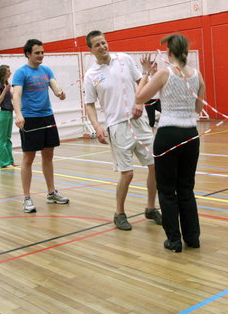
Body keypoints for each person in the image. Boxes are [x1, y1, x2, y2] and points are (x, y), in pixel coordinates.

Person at [83, 30, 162, 230]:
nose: (102, 47)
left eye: (103, 42)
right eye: (97, 45)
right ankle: (119, 213)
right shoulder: (91, 75)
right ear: (91, 50)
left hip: (140, 122)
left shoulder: (124, 59)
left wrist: (141, 103)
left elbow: (141, 85)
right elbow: (90, 104)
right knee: (127, 174)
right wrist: (97, 126)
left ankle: (151, 208)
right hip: (117, 126)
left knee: (155, 167)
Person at [136, 34, 205, 253]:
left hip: (168, 135)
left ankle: (174, 241)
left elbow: (140, 98)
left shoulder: (164, 73)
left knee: (166, 190)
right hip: (191, 135)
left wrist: (146, 74)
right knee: (186, 188)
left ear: (169, 53)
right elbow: (198, 108)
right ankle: (192, 238)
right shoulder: (197, 75)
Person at [12, 39, 70, 213]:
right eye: (37, 53)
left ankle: (51, 193)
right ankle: (27, 198)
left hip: (47, 117)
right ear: (28, 54)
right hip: (30, 119)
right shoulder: (21, 73)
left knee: (48, 155)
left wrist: (59, 93)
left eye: (42, 52)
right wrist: (19, 115)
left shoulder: (46, 70)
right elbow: (16, 96)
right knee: (28, 158)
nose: (41, 56)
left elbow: (53, 84)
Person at [0, 64, 17, 168]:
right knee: (2, 139)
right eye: (8, 71)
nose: (10, 72)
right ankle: (4, 162)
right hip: (3, 113)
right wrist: (5, 90)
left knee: (8, 138)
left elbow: (12, 97)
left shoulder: (6, 84)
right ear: (3, 72)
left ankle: (10, 161)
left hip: (9, 112)